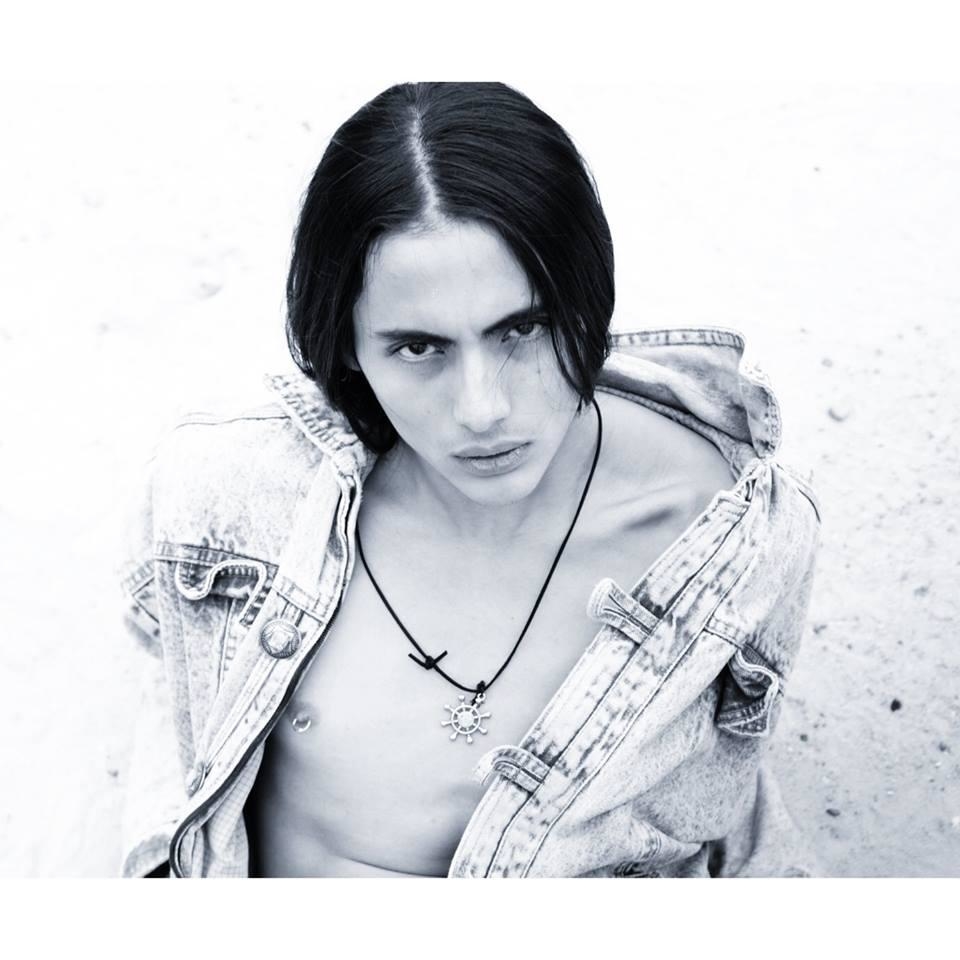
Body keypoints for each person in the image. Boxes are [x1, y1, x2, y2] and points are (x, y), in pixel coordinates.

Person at [117, 82, 823, 878]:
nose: (483, 409)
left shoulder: (725, 536)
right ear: (345, 346)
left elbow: (723, 809)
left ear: (587, 300)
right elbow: (174, 745)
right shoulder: (227, 492)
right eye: (420, 348)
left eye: (522, 329)